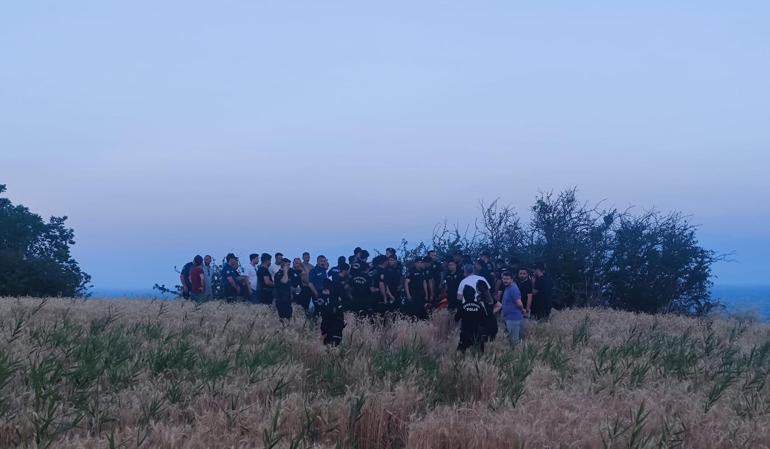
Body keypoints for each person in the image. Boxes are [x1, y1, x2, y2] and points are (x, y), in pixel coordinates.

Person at [455, 285, 485, 353]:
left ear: (464, 295)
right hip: (477, 333)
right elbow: (484, 318)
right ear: (474, 295)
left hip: (465, 333)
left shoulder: (462, 306)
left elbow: (456, 318)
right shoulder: (479, 306)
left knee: (460, 353)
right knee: (480, 354)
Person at [316, 278, 345, 346]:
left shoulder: (321, 297)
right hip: (335, 326)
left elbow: (318, 311)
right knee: (333, 345)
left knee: (326, 345)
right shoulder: (336, 299)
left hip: (328, 325)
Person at [501, 272, 525, 346]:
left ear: (512, 279)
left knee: (514, 342)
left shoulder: (513, 289)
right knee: (510, 340)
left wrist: (522, 310)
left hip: (513, 319)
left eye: (507, 279)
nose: (505, 280)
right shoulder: (508, 287)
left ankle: (517, 353)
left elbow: (519, 303)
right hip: (508, 318)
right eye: (504, 279)